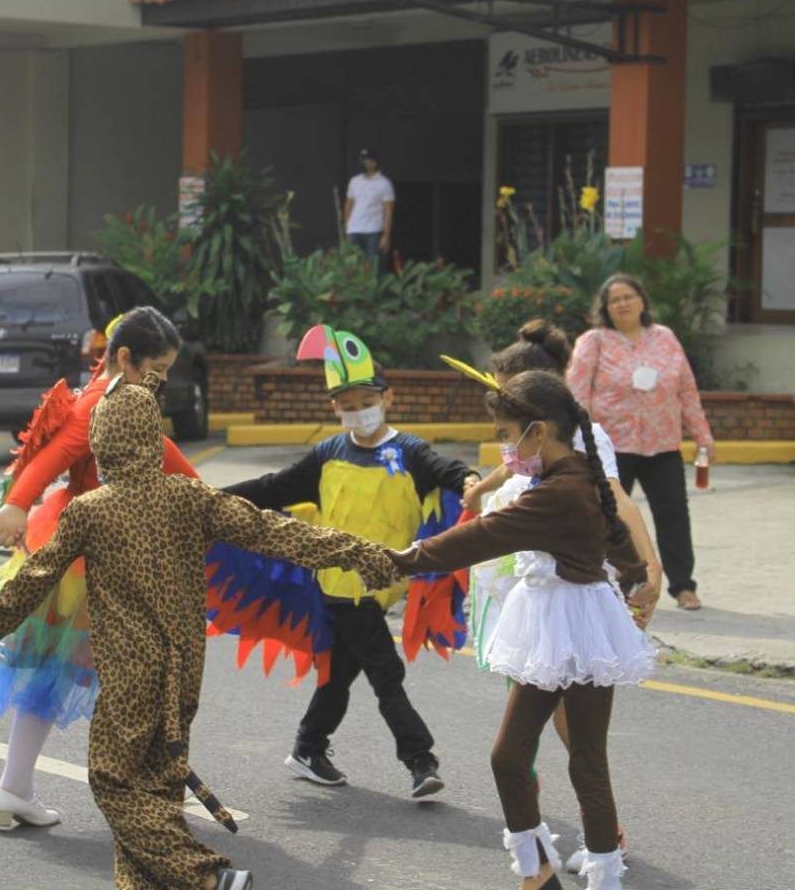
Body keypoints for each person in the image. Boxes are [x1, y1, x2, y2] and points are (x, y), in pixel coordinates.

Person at [0, 372, 397, 890]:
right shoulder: (190, 498)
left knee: (115, 782)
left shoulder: (90, 510)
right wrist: (364, 553)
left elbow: (33, 578)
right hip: (184, 669)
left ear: (101, 442)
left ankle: (208, 878)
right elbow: (277, 532)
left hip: (128, 671)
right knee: (158, 786)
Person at [392, 370, 656, 890]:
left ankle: (589, 876)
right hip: (558, 622)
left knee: (578, 760)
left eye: (507, 435)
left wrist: (400, 561)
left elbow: (485, 536)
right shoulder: (574, 474)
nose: (505, 448)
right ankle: (540, 872)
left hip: (572, 627)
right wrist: (635, 573)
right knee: (520, 757)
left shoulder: (558, 491)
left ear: (539, 431)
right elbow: (616, 536)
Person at [223, 324, 480, 798]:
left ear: (388, 398)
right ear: (334, 407)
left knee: (340, 673)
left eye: (366, 400)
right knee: (386, 673)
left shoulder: (409, 452)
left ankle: (308, 746)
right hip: (341, 585)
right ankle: (420, 760)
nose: (358, 411)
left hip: (382, 586)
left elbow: (448, 471)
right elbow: (273, 488)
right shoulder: (327, 454)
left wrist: (471, 482)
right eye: (348, 403)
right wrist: (210, 499)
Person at [0, 306, 198, 829]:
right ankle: (141, 797)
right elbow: (53, 456)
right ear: (125, 358)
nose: (161, 381)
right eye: (156, 369)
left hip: (94, 555)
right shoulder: (99, 402)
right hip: (94, 560)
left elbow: (165, 456)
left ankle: (15, 787)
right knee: (137, 677)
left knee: (58, 677)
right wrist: (16, 505)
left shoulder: (122, 399)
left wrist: (216, 503)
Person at [454, 320, 662, 873]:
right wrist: (480, 488)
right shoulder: (529, 454)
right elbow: (508, 476)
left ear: (539, 417)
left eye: (507, 422)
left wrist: (650, 571)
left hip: (569, 608)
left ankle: (599, 845)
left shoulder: (578, 457)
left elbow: (615, 502)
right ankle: (543, 853)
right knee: (526, 741)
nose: (504, 437)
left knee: (574, 741)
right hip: (524, 604)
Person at [567, 273, 714, 611]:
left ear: (642, 300)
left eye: (628, 296)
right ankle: (605, 584)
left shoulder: (664, 337)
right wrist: (580, 443)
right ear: (605, 308)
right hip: (612, 446)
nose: (623, 303)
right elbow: (577, 394)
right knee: (608, 517)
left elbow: (687, 390)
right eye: (615, 299)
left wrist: (702, 434)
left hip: (662, 443)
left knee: (674, 515)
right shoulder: (595, 341)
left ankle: (683, 586)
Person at [343, 148, 395, 265]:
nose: (364, 163)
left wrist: (386, 236)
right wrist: (347, 224)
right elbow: (349, 204)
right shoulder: (354, 181)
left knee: (373, 268)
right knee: (352, 268)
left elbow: (388, 211)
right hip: (354, 231)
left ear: (374, 162)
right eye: (362, 160)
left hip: (373, 231)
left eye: (367, 160)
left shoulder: (384, 183)